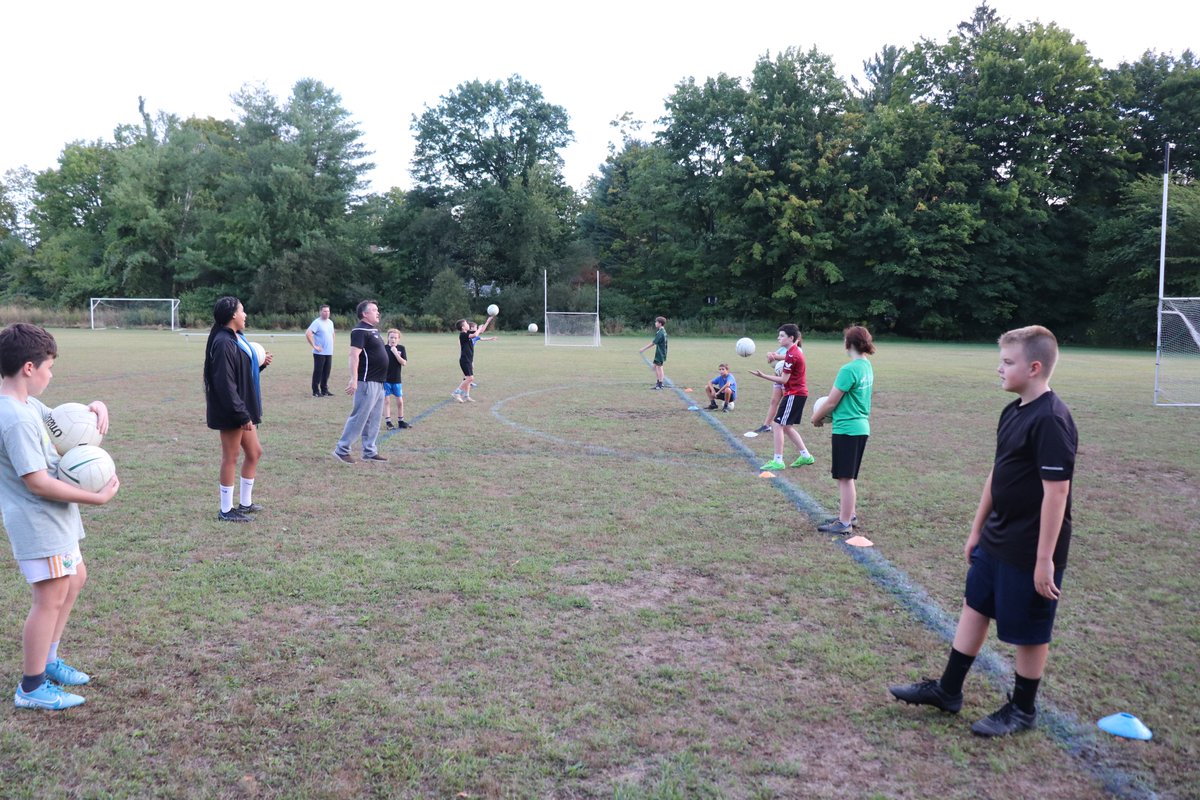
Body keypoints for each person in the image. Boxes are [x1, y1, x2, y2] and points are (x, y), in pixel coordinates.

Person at [888, 325, 1078, 738]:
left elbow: (1057, 492)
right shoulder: (1012, 411)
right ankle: (948, 690)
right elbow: (998, 472)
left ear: (1034, 367)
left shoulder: (1051, 420)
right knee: (975, 605)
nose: (999, 369)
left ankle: (1023, 709)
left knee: (1029, 629)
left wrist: (1044, 559)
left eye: (1007, 363)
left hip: (1031, 547)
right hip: (997, 535)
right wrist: (978, 529)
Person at [1, 323, 119, 710]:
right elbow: (36, 482)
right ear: (30, 368)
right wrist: (94, 498)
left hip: (54, 518)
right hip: (38, 519)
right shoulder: (14, 418)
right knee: (49, 596)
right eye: (49, 367)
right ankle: (32, 687)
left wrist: (95, 406)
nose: (52, 375)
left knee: (74, 579)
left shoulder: (26, 405)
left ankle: (49, 661)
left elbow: (65, 425)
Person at [204, 296, 272, 523]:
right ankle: (225, 509)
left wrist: (259, 365)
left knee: (254, 453)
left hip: (242, 407)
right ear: (233, 315)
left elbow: (239, 374)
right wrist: (241, 414)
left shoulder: (236, 338)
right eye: (242, 311)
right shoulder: (223, 342)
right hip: (232, 410)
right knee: (231, 456)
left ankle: (245, 503)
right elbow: (225, 384)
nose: (245, 315)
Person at [811, 326, 876, 533]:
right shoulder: (866, 366)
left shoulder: (848, 370)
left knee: (845, 478)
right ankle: (849, 515)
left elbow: (831, 402)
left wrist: (815, 418)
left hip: (847, 428)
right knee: (846, 476)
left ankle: (845, 523)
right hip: (860, 426)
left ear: (848, 344)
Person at [749, 323, 814, 471]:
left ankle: (778, 460)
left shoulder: (792, 354)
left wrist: (763, 375)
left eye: (782, 336)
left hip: (794, 394)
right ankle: (806, 456)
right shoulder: (793, 351)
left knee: (777, 425)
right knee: (787, 427)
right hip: (798, 394)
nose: (779, 338)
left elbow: (784, 380)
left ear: (791, 338)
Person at [332, 300, 388, 463]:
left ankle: (369, 451)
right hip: (366, 381)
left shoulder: (373, 330)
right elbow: (353, 355)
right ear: (365, 314)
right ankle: (341, 450)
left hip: (379, 382)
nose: (378, 313)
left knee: (374, 418)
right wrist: (354, 379)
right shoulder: (359, 331)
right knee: (360, 417)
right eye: (374, 310)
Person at [745, 345, 789, 438]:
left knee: (786, 402)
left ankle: (785, 426)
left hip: (787, 379)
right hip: (777, 377)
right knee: (773, 401)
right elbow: (770, 360)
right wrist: (769, 355)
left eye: (782, 336)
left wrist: (775, 356)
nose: (779, 338)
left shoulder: (796, 350)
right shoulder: (781, 349)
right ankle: (766, 425)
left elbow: (788, 357)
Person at [453, 313, 495, 403]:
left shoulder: (467, 332)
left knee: (467, 378)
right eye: (466, 324)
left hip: (469, 359)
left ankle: (467, 396)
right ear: (463, 327)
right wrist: (478, 328)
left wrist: (488, 320)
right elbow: (476, 335)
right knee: (470, 378)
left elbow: (481, 331)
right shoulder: (463, 335)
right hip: (465, 360)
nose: (468, 325)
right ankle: (456, 392)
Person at [305, 304, 335, 397]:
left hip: (328, 352)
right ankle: (315, 391)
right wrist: (314, 346)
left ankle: (324, 390)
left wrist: (332, 343)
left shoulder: (330, 322)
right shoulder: (317, 322)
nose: (327, 313)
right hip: (319, 353)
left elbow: (333, 333)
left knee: (326, 372)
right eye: (324, 311)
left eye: (328, 311)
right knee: (318, 372)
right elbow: (308, 334)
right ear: (320, 312)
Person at [383, 328, 409, 430]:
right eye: (391, 337)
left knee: (400, 401)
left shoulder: (401, 348)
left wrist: (395, 353)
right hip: (385, 379)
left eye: (395, 338)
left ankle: (401, 421)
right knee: (387, 401)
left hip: (397, 379)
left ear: (398, 339)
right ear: (388, 338)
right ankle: (388, 422)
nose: (393, 339)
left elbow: (404, 363)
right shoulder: (383, 348)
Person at [638, 317, 668, 389]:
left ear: (660, 323)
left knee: (658, 368)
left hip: (660, 353)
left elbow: (653, 343)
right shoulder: (662, 331)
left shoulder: (661, 332)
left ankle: (659, 385)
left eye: (656, 322)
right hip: (660, 352)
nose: (655, 323)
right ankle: (659, 382)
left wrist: (643, 349)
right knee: (656, 367)